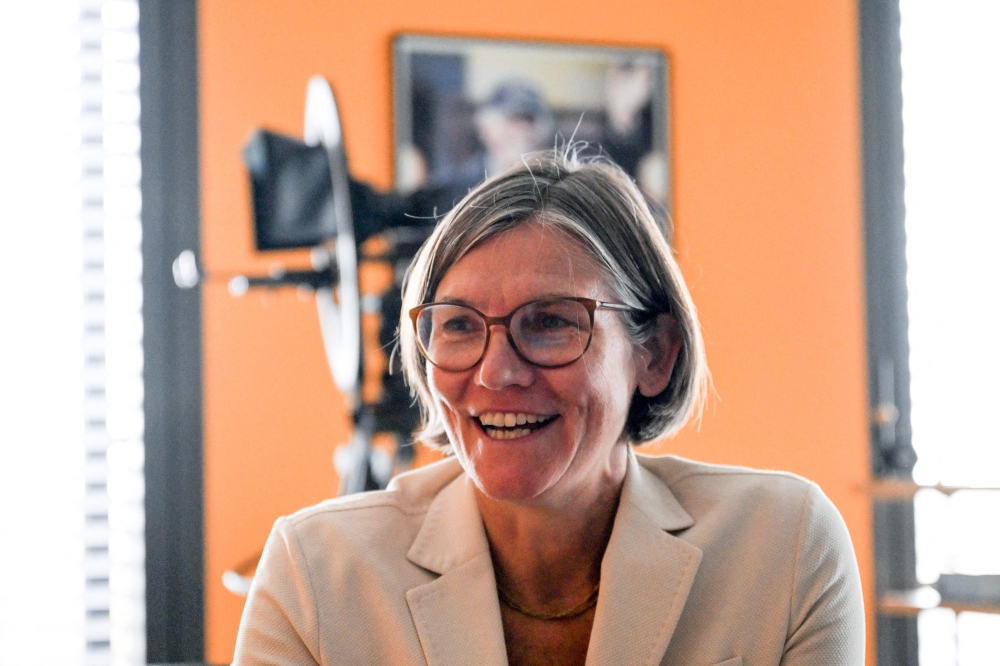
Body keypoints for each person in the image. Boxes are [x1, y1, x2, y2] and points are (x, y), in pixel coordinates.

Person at [232, 150, 865, 665]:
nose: (495, 372)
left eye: (551, 322)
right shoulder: (316, 574)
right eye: (458, 324)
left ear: (655, 354)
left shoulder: (783, 546)